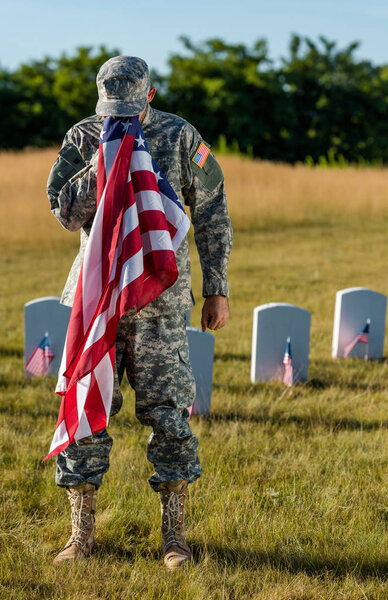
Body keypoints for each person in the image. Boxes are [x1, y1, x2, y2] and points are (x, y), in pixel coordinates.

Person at [47, 56, 232, 569]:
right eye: (112, 107)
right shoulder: (84, 136)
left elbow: (212, 208)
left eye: (131, 106)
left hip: (161, 303)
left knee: (169, 416)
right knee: (85, 415)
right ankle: (80, 536)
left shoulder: (180, 136)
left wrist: (216, 286)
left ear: (150, 95)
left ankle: (175, 538)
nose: (122, 114)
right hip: (97, 301)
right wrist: (104, 158)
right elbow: (64, 212)